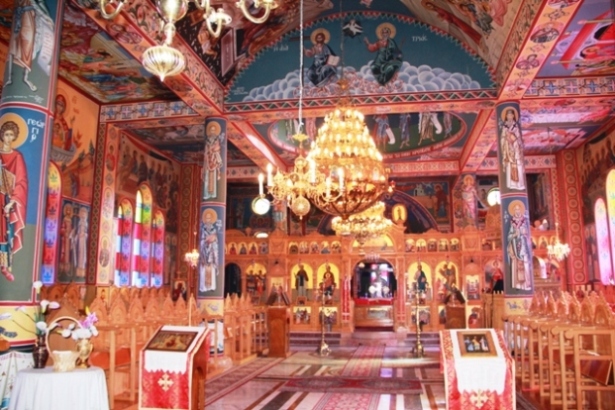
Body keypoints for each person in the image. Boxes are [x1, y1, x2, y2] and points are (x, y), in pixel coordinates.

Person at [0, 121, 28, 282]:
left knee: (5, 232)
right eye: (6, 134)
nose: (8, 138)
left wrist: (12, 202)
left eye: (11, 135)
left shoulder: (17, 157)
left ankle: (4, 266)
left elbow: (21, 182)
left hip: (5, 199)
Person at [507, 202, 532, 290]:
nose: (517, 211)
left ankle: (527, 283)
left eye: (518, 209)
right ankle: (517, 283)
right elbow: (510, 235)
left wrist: (523, 233)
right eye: (515, 210)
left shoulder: (524, 221)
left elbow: (527, 233)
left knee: (525, 264)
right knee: (516, 265)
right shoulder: (512, 223)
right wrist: (514, 235)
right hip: (515, 246)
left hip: (523, 246)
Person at [500, 108, 526, 190]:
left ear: (513, 116)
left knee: (517, 164)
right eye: (508, 115)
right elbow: (502, 137)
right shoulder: (504, 126)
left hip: (515, 147)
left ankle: (518, 184)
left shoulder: (516, 126)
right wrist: (505, 140)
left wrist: (515, 139)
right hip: (508, 148)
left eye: (511, 115)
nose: (509, 116)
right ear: (506, 116)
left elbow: (518, 138)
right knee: (510, 165)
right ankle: (511, 184)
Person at [199, 209, 219, 292]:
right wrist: (205, 241)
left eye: (210, 219)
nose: (208, 220)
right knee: (204, 271)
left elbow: (216, 241)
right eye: (206, 219)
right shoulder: (203, 230)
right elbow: (201, 241)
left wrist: (212, 241)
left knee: (211, 270)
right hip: (204, 253)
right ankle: (203, 287)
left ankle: (211, 287)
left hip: (211, 253)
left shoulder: (214, 230)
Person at [203, 121, 224, 200]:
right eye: (211, 130)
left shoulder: (216, 139)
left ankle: (213, 193)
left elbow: (218, 148)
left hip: (214, 159)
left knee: (213, 176)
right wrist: (208, 151)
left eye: (213, 130)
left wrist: (213, 150)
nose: (212, 131)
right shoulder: (207, 139)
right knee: (207, 176)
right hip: (208, 159)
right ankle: (207, 193)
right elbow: (206, 149)